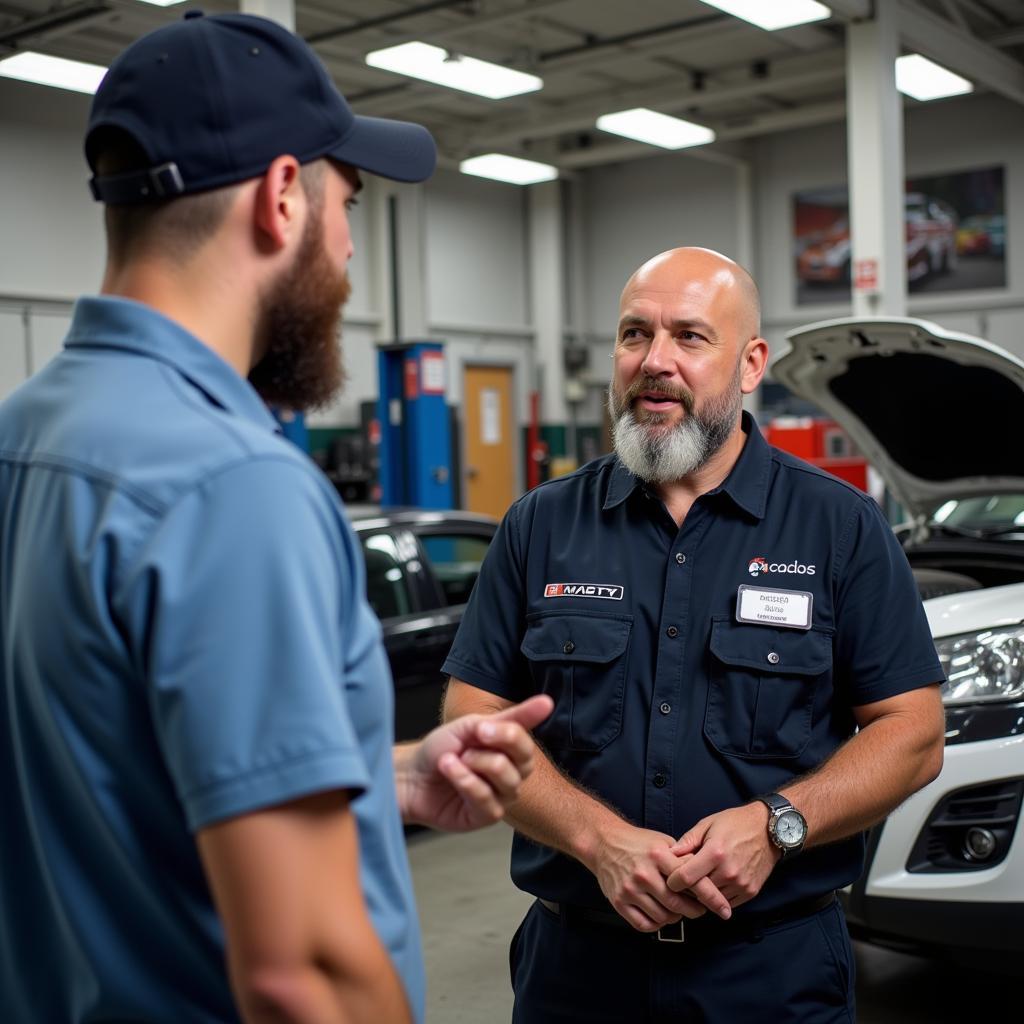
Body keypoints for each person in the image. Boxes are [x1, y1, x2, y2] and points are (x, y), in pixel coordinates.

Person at [0, 12, 551, 1024]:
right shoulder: (231, 482)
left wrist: (384, 771)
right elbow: (302, 971)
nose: (347, 251)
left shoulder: (23, 437)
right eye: (349, 203)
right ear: (282, 196)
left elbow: (115, 770)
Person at [442, 246, 946, 1023]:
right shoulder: (540, 526)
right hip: (576, 974)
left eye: (689, 337)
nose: (655, 362)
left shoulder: (839, 528)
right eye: (635, 335)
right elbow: (471, 721)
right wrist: (596, 838)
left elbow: (913, 732)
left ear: (750, 364)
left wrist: (778, 824)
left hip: (770, 975)